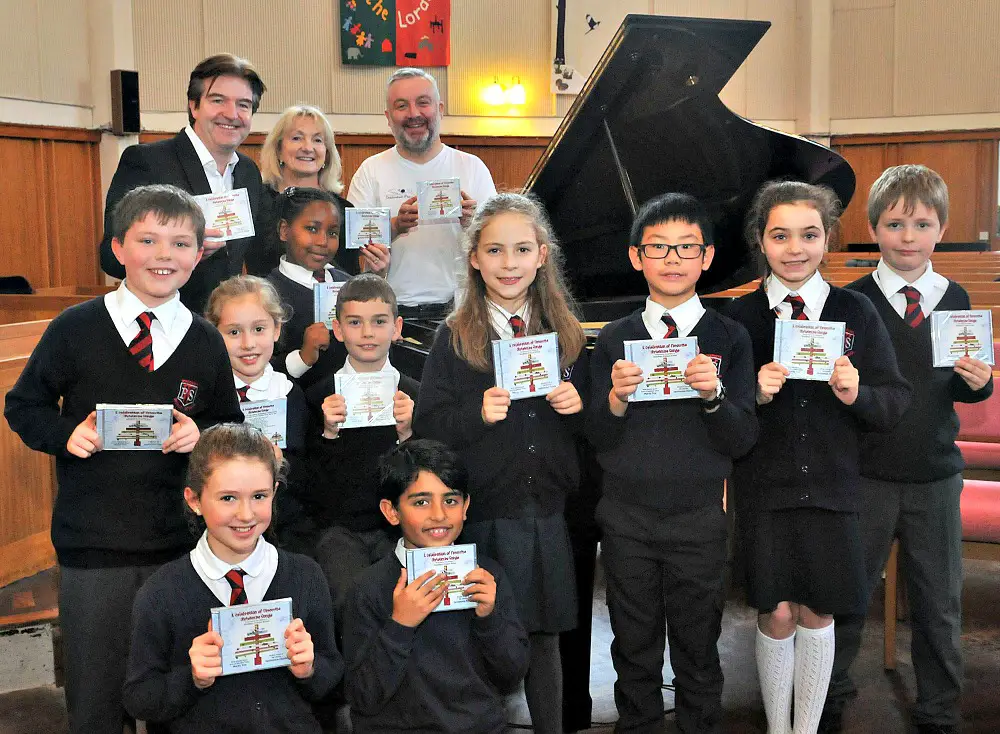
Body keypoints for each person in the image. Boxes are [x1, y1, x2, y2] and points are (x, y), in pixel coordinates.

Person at [4, 184, 243, 734]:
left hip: (180, 547)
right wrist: (67, 436)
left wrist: (199, 435)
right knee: (96, 698)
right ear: (118, 249)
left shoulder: (204, 340)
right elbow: (24, 406)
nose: (165, 255)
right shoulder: (76, 328)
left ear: (200, 253)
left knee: (178, 690)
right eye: (148, 240)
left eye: (181, 243)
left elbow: (229, 425)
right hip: (94, 547)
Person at [724, 181, 911, 734]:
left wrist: (857, 394)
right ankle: (777, 728)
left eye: (809, 235)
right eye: (780, 236)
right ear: (762, 241)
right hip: (766, 489)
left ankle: (805, 728)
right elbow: (718, 415)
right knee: (775, 610)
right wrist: (753, 395)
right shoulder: (739, 318)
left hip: (834, 487)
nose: (795, 248)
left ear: (828, 239)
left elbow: (894, 400)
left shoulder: (856, 310)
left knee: (819, 610)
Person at [821, 165, 994, 734]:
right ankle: (829, 695)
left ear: (941, 228)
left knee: (939, 607)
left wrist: (980, 380)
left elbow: (968, 384)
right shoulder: (851, 301)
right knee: (847, 596)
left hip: (936, 474)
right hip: (866, 473)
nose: (908, 237)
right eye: (895, 224)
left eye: (921, 224)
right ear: (874, 228)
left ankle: (940, 710)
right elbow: (843, 392)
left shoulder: (957, 296)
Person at [413, 192, 587, 734]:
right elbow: (428, 428)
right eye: (494, 250)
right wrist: (475, 413)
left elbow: (599, 426)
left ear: (542, 256)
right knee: (479, 632)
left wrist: (577, 407)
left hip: (546, 512)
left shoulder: (571, 335)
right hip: (486, 512)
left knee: (544, 638)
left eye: (521, 250)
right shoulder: (453, 337)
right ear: (474, 258)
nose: (508, 263)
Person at [588, 192, 759, 733]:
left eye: (687, 248)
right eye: (658, 247)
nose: (672, 258)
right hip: (626, 518)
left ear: (707, 257)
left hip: (699, 518)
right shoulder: (613, 339)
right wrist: (614, 399)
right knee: (632, 647)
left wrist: (714, 397)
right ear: (636, 257)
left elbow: (742, 438)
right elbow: (595, 437)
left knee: (698, 648)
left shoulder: (729, 337)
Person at [123, 422, 342, 732]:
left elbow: (331, 676)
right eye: (228, 498)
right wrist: (193, 678)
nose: (245, 514)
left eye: (259, 496)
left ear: (275, 492)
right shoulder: (161, 592)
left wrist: (309, 669)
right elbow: (139, 698)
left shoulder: (305, 575)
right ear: (194, 500)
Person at [343, 439, 530, 733]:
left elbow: (511, 676)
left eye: (451, 500)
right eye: (421, 502)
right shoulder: (368, 589)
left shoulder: (487, 577)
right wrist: (400, 625)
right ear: (391, 511)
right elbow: (364, 696)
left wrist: (490, 619)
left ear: (465, 506)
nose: (439, 515)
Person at [99, 53, 267, 312]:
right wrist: (185, 250)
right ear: (194, 106)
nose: (232, 114)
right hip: (163, 322)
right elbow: (111, 257)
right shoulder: (147, 161)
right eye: (218, 100)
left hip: (225, 328)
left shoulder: (248, 172)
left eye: (244, 105)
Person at [306, 273, 420, 622]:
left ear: (397, 327)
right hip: (340, 532)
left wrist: (408, 435)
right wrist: (328, 433)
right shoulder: (317, 396)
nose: (367, 333)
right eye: (355, 323)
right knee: (348, 611)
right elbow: (310, 480)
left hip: (401, 530)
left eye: (379, 322)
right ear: (338, 330)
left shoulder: (415, 393)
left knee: (407, 611)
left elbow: (427, 476)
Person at [347, 67, 497, 317]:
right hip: (391, 313)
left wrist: (474, 224)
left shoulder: (472, 167)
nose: (414, 114)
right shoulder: (370, 171)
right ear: (388, 116)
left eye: (423, 103)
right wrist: (394, 226)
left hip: (462, 312)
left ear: (440, 109)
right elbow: (351, 249)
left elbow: (498, 244)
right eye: (402, 105)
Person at [203, 274, 315, 552]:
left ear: (276, 330)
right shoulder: (206, 397)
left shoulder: (290, 394)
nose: (248, 344)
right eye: (233, 332)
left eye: (259, 329)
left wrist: (281, 465)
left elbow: (306, 474)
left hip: (284, 530)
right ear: (214, 334)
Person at [251, 104, 390, 276]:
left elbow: (350, 277)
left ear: (327, 152)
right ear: (278, 149)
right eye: (296, 138)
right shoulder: (256, 203)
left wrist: (377, 272)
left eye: (317, 140)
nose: (308, 148)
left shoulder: (343, 210)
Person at [266, 186, 356, 389]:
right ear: (284, 230)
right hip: (301, 407)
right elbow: (257, 370)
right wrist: (302, 357)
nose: (323, 241)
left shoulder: (350, 285)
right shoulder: (266, 295)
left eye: (332, 232)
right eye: (312, 229)